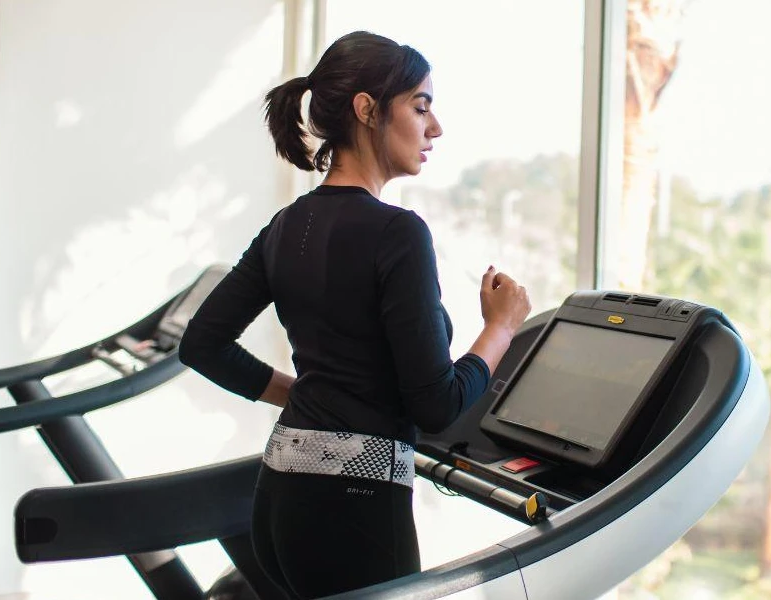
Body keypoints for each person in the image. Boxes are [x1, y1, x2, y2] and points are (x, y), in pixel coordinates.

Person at [179, 30, 532, 599]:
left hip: (278, 499)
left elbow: (201, 345)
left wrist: (300, 397)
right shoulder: (398, 233)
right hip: (355, 510)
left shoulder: (285, 227)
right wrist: (502, 327)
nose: (434, 127)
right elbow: (436, 404)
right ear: (367, 109)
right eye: (420, 107)